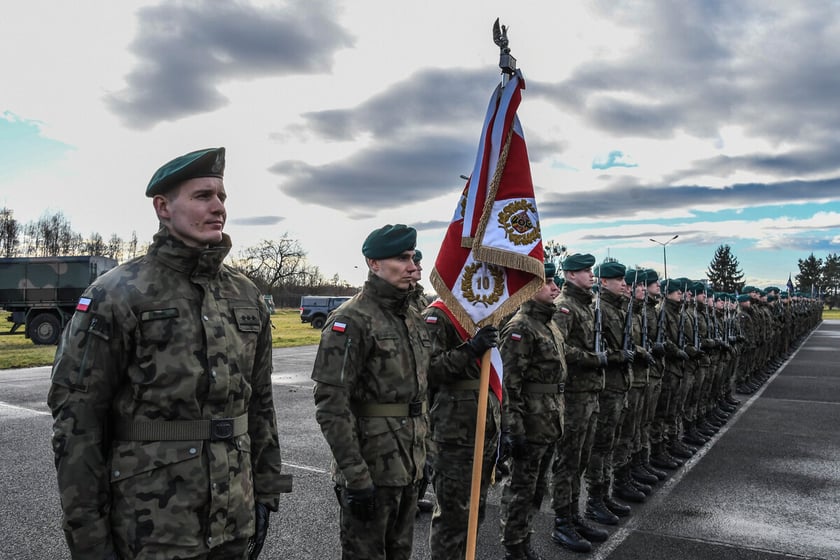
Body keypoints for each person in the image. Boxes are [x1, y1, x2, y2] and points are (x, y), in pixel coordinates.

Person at [48, 147, 290, 560]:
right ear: (163, 207)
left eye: (222, 197)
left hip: (234, 516)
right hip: (153, 527)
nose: (218, 207)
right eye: (202, 196)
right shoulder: (117, 293)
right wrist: (88, 537)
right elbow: (77, 422)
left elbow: (260, 404)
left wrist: (265, 492)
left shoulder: (246, 295)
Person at [311, 224, 430, 560]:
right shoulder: (352, 320)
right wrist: (355, 476)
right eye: (402, 258)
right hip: (373, 469)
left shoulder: (412, 318)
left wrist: (425, 455)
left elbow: (421, 389)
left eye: (412, 257)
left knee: (400, 553)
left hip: (409, 466)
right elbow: (331, 404)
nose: (412, 265)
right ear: (374, 263)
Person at [422, 294, 500, 559]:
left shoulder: (486, 314)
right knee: (452, 516)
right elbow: (429, 371)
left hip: (484, 429)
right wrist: (470, 349)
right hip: (453, 433)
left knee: (475, 511)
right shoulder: (440, 314)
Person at [498, 262, 565, 560]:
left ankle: (524, 539)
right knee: (520, 487)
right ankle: (513, 545)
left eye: (554, 282)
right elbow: (509, 385)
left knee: (537, 489)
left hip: (550, 419)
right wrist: (514, 429)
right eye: (547, 282)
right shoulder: (520, 327)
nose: (555, 288)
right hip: (531, 422)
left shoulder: (547, 324)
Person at [549, 253, 609, 553]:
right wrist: (592, 359)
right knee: (568, 462)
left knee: (582, 460)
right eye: (585, 271)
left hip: (590, 393)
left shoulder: (587, 306)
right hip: (573, 395)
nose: (591, 275)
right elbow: (561, 349)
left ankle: (574, 514)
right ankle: (561, 523)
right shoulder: (565, 307)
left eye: (590, 271)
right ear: (570, 275)